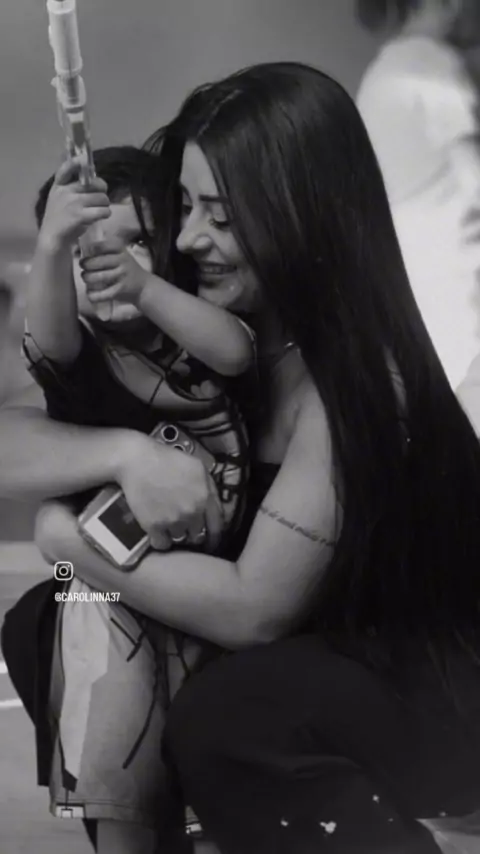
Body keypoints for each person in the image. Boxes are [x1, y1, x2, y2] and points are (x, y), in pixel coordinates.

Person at [3, 59, 480, 853]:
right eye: (186, 208)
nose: (191, 238)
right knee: (51, 619)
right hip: (305, 655)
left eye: (222, 217)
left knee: (232, 714)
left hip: (427, 678)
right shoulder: (210, 330)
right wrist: (128, 454)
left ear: (302, 214)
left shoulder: (359, 380)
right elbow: (14, 438)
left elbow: (256, 611)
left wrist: (71, 543)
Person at [9, 144, 256, 854]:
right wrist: (52, 243)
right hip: (106, 580)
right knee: (112, 722)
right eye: (85, 248)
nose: (107, 260)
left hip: (211, 573)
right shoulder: (78, 352)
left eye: (139, 241)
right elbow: (47, 337)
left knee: (205, 737)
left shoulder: (193, 326)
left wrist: (146, 290)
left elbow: (235, 351)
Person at [356, 0, 480, 389]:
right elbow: (473, 180)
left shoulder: (379, 74)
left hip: (412, 276)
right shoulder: (431, 62)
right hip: (455, 270)